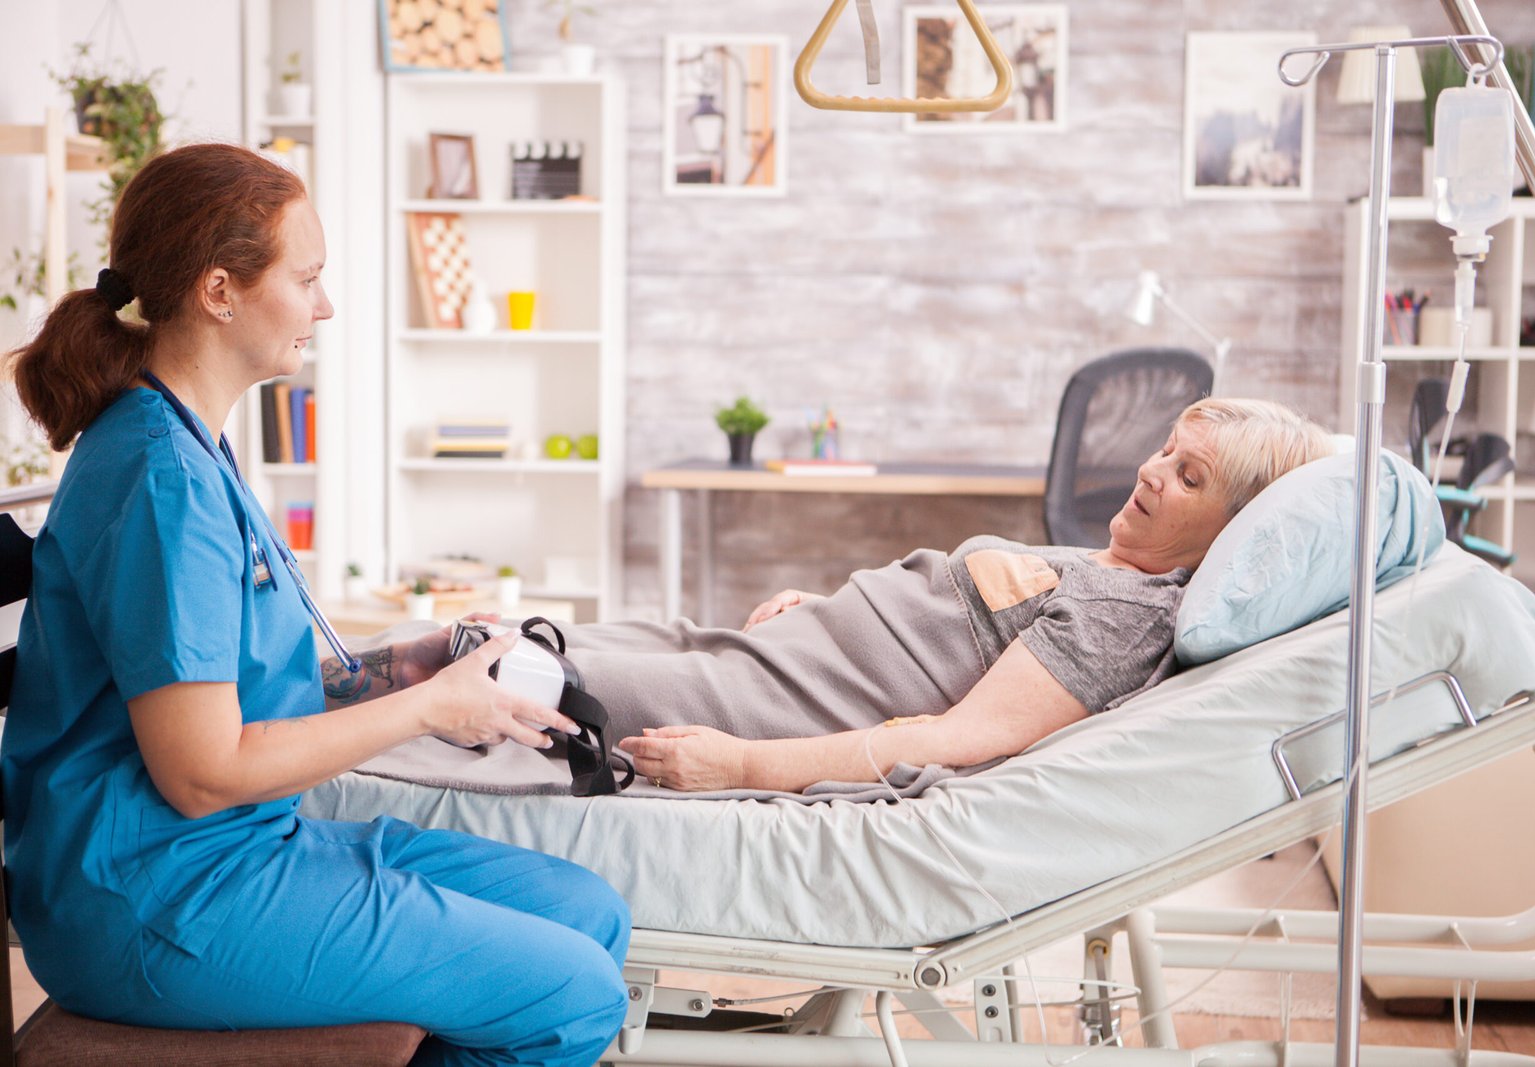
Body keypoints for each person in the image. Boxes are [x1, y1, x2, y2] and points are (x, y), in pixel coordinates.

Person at [2, 143, 628, 1067]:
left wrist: (398, 665)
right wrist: (425, 708)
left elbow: (224, 686)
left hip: (239, 852)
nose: (324, 306)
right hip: (155, 896)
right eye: (308, 278)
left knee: (589, 910)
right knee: (573, 993)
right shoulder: (159, 479)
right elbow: (203, 771)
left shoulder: (187, 438)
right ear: (220, 290)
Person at [553, 398, 1330, 794]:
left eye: (1189, 477)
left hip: (781, 702)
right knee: (539, 640)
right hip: (778, 653)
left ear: (1232, 528)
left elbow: (958, 740)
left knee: (526, 680)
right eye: (1165, 451)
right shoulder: (1112, 566)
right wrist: (816, 609)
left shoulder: (1126, 617)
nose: (1150, 472)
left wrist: (744, 765)